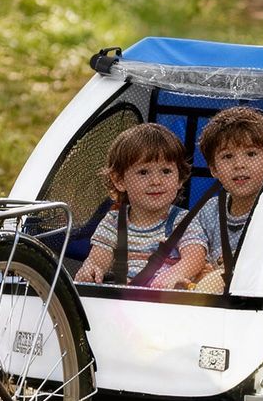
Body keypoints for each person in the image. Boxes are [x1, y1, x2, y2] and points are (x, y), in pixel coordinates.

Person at [175, 106, 263, 291]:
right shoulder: (208, 211)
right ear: (214, 169)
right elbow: (196, 258)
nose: (239, 165)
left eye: (251, 154)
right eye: (227, 156)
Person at [74, 123, 192, 287]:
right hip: (124, 297)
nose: (156, 181)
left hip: (167, 297)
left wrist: (173, 276)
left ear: (179, 179)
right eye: (143, 172)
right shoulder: (113, 222)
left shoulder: (184, 221)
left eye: (166, 171)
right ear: (119, 181)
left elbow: (194, 259)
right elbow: (97, 260)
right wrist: (91, 269)